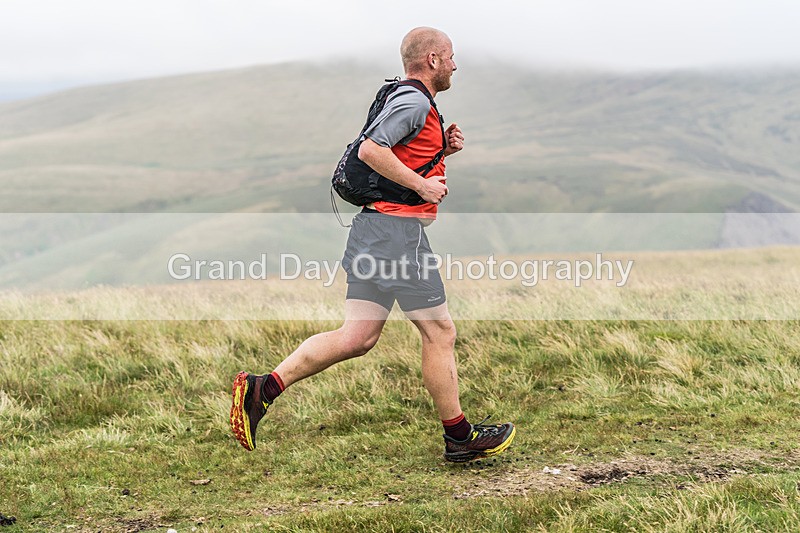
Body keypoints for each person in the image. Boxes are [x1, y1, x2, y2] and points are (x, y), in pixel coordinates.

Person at [230, 27, 515, 463]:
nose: (456, 65)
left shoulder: (407, 99)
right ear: (433, 60)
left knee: (357, 336)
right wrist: (423, 183)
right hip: (395, 236)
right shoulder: (414, 100)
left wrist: (442, 152)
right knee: (440, 331)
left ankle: (261, 389)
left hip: (374, 231)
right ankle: (459, 437)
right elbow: (370, 151)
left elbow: (394, 155)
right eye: (452, 57)